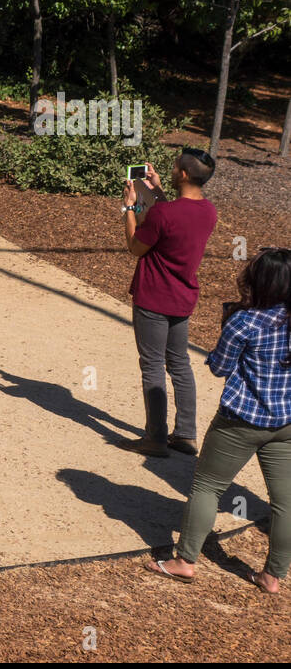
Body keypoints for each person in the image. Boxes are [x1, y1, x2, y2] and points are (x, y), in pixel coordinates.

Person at [146, 247, 291, 592]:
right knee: (285, 501)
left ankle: (184, 561)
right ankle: (273, 576)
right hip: (285, 423)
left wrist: (227, 326)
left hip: (240, 420)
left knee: (207, 487)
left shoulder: (245, 321)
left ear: (258, 281)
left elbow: (219, 367)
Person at [117, 148, 218, 457]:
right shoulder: (209, 211)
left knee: (152, 365)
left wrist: (129, 209)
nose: (172, 171)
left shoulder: (164, 213)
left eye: (175, 168)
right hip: (183, 298)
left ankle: (155, 439)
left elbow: (136, 247)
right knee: (180, 364)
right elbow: (174, 219)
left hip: (153, 297)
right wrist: (158, 191)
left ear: (184, 175)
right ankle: (186, 434)